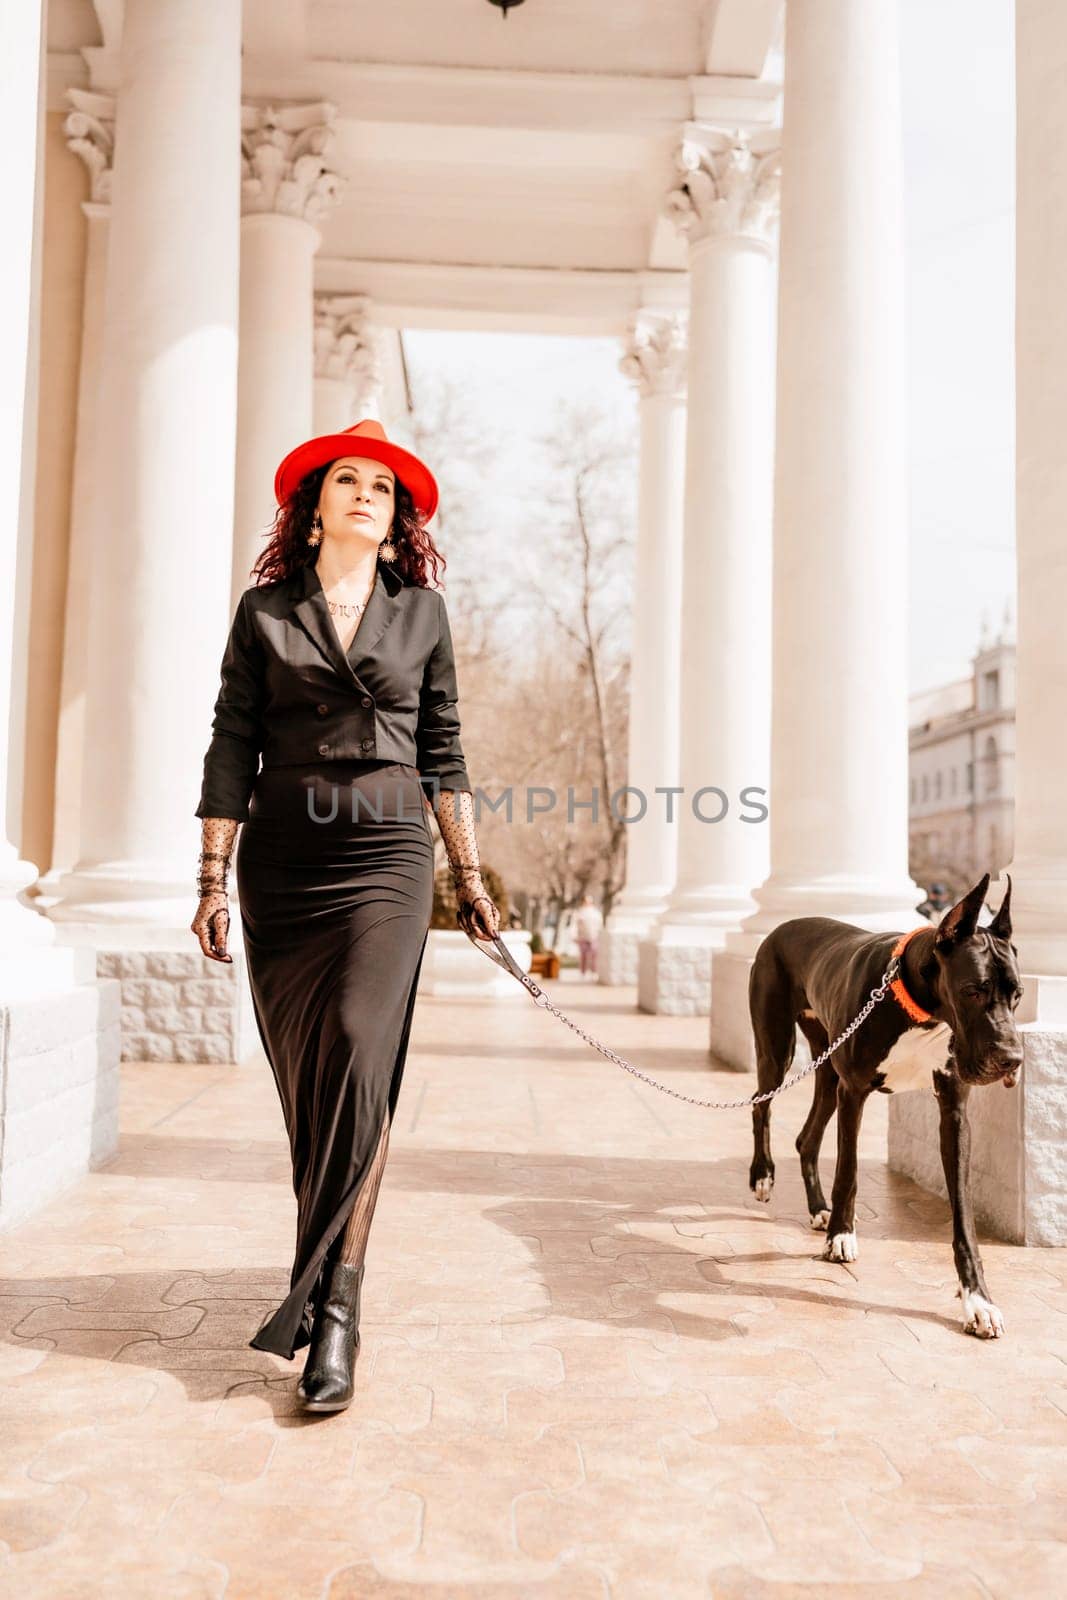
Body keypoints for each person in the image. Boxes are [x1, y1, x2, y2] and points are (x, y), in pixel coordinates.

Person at [190, 419, 501, 1413]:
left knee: (362, 1056)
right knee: (312, 1084)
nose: (368, 494)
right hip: (280, 866)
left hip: (385, 860)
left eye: (383, 486)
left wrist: (472, 879)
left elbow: (443, 751)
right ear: (314, 504)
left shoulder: (423, 615)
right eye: (348, 480)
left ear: (397, 514)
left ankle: (337, 1315)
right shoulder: (263, 612)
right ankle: (317, 1276)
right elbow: (230, 742)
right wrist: (208, 878)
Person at [573, 892, 603, 980]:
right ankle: (583, 972)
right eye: (586, 901)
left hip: (594, 937)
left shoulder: (596, 913)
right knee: (583, 956)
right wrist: (574, 936)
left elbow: (600, 925)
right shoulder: (579, 912)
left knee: (594, 955)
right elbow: (574, 925)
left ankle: (594, 972)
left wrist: (599, 936)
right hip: (582, 937)